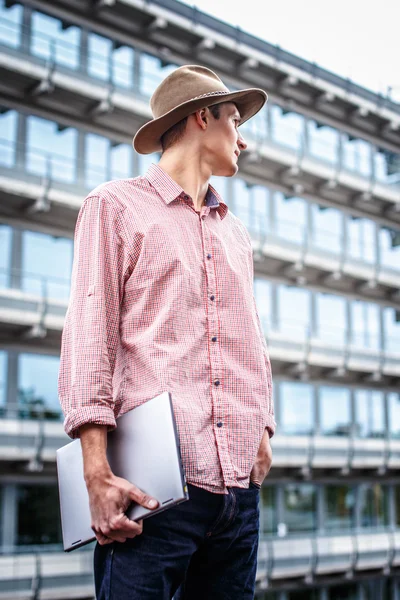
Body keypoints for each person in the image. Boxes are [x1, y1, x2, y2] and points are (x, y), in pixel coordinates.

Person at [59, 64, 275, 600]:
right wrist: (96, 472)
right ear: (202, 118)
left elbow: (251, 343)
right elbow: (90, 337)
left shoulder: (237, 235)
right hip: (152, 496)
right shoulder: (114, 207)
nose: (243, 141)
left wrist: (264, 429)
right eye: (235, 121)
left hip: (238, 496)